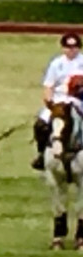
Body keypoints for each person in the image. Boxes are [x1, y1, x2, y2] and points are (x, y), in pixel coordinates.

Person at [32, 32, 83, 170]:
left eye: (74, 46)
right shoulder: (56, 64)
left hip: (78, 100)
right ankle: (41, 154)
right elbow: (48, 86)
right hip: (59, 100)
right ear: (63, 48)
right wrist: (49, 102)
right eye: (68, 46)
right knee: (40, 124)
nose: (71, 49)